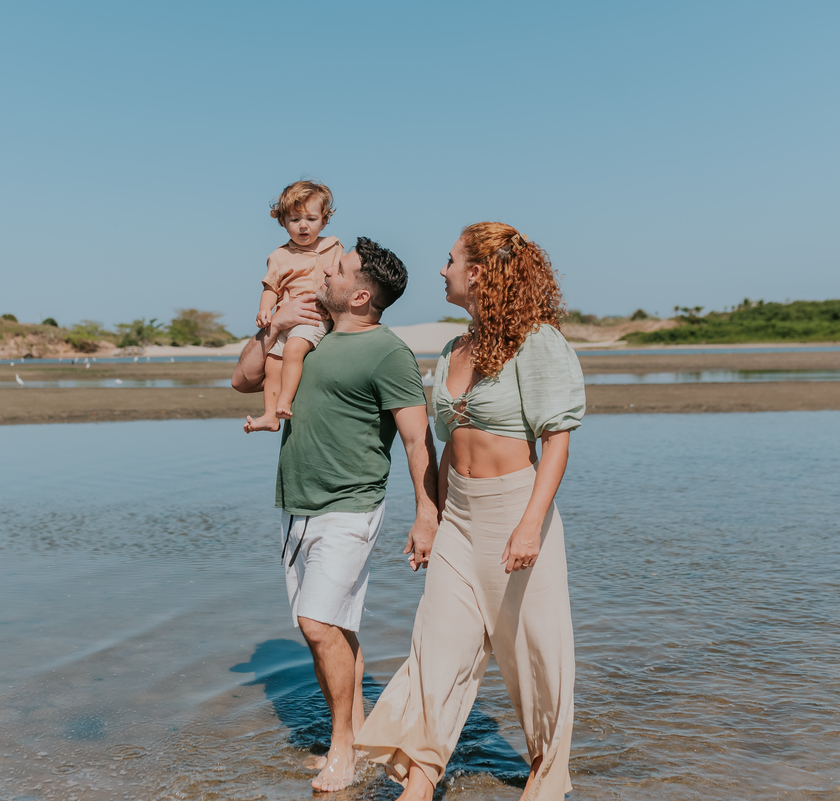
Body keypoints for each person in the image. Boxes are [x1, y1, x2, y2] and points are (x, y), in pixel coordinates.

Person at [354, 222, 585, 801]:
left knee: (537, 657)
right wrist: (427, 514)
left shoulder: (538, 341)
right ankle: (420, 782)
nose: (443, 269)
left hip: (516, 511)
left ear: (478, 271)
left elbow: (556, 440)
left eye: (451, 259)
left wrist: (531, 524)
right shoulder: (456, 347)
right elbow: (443, 445)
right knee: (437, 647)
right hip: (457, 515)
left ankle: (545, 773)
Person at [232, 237, 440, 792]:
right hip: (295, 500)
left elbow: (418, 439)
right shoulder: (311, 332)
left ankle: (343, 749)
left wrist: (427, 514)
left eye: (339, 270)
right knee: (330, 627)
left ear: (361, 294)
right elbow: (243, 379)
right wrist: (272, 325)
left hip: (350, 504)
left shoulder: (388, 352)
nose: (326, 271)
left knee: (317, 624)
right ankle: (360, 733)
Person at [244, 180, 343, 433]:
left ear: (324, 220)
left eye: (310, 218)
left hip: (313, 317)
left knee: (294, 349)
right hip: (284, 317)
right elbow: (271, 289)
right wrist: (264, 310)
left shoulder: (333, 247)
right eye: (294, 219)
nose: (303, 225)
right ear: (283, 222)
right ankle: (269, 415)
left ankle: (285, 400)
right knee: (272, 361)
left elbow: (344, 280)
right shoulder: (279, 256)